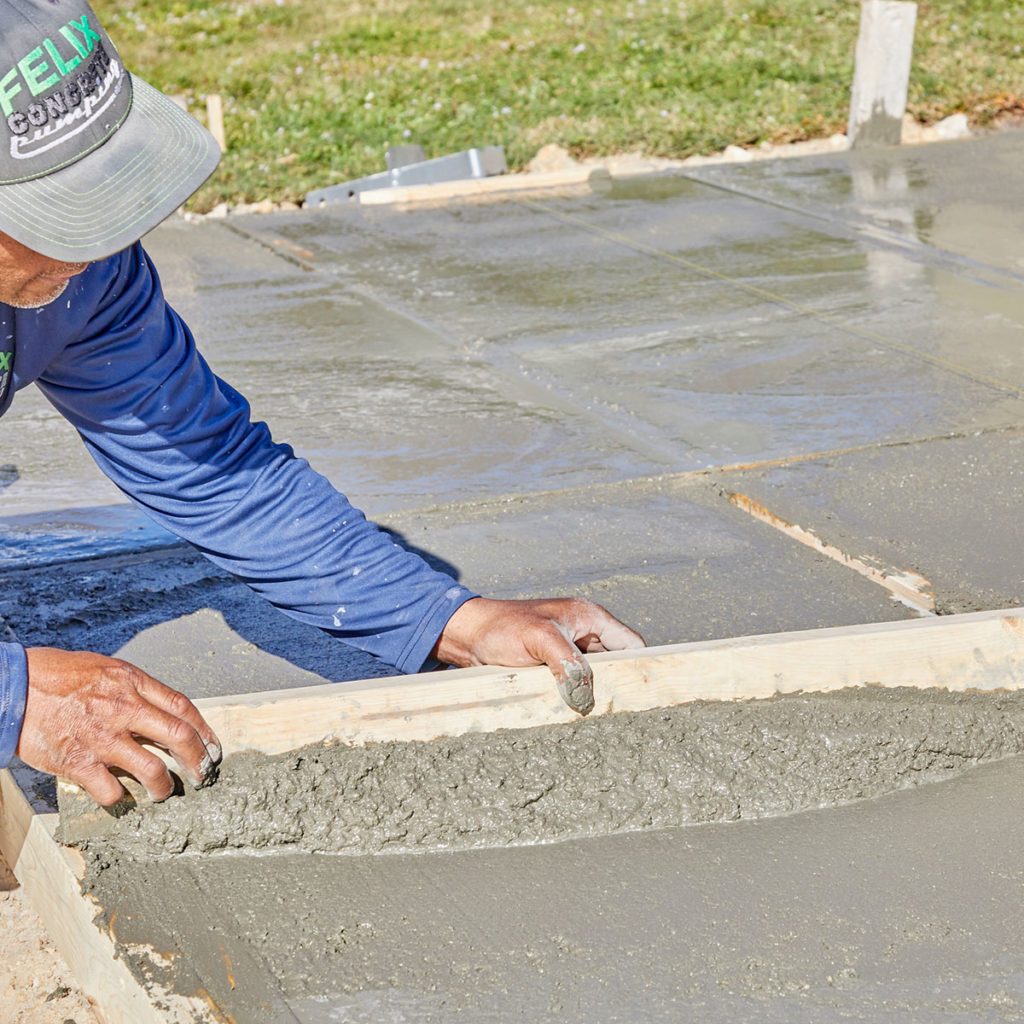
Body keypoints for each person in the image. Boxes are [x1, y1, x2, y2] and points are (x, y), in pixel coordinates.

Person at [0, 0, 644, 808]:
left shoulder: (82, 277)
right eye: (59, 213)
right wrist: (18, 696)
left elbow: (213, 470)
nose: (99, 244)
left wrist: (448, 617)